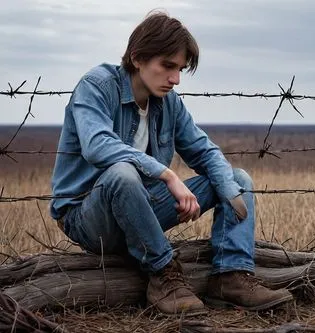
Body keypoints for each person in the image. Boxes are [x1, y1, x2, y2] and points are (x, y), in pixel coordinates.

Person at [50, 10, 293, 316]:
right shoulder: (96, 86)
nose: (175, 79)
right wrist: (167, 175)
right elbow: (97, 146)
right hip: (88, 219)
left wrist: (229, 192)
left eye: (179, 69)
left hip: (143, 207)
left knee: (237, 178)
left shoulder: (169, 103)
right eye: (167, 66)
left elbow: (203, 151)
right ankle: (163, 274)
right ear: (138, 58)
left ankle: (230, 277)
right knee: (123, 173)